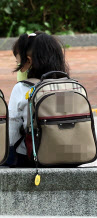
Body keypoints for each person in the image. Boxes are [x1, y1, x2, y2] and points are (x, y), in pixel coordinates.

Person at [7, 32, 69, 167]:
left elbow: (11, 133)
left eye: (18, 62)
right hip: (71, 155)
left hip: (33, 157)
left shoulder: (22, 88)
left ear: (28, 61)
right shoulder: (70, 86)